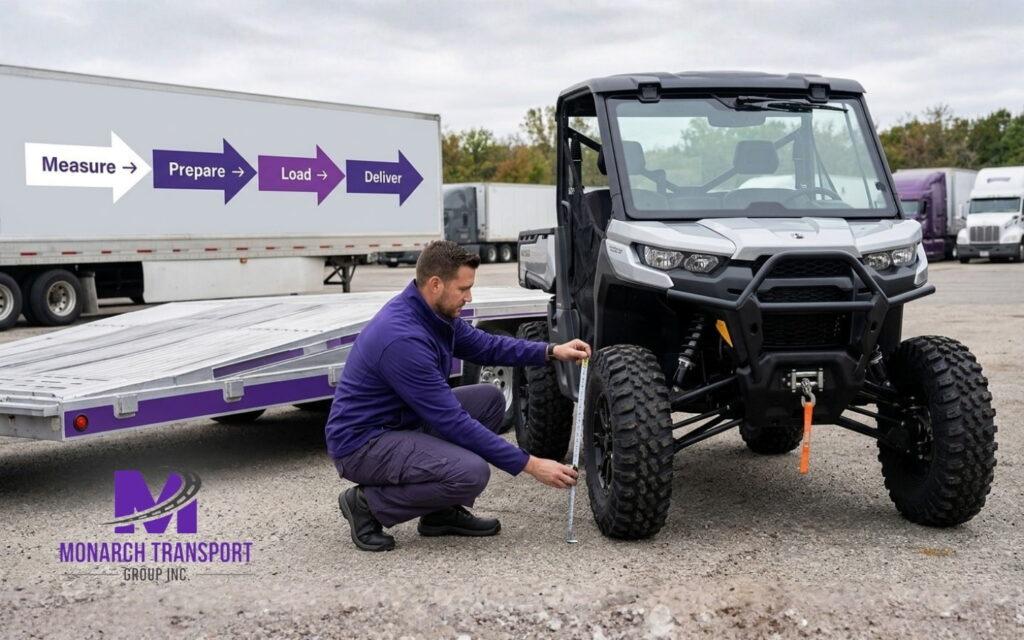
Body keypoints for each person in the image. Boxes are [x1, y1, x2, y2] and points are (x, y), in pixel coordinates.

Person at [325, 240, 591, 551]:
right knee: (470, 473)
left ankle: (439, 513)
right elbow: (453, 421)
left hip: (401, 421)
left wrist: (551, 351)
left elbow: (488, 346)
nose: (469, 297)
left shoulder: (434, 315)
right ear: (435, 284)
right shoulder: (403, 339)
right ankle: (367, 504)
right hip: (363, 443)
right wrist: (530, 464)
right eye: (463, 289)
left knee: (490, 400)